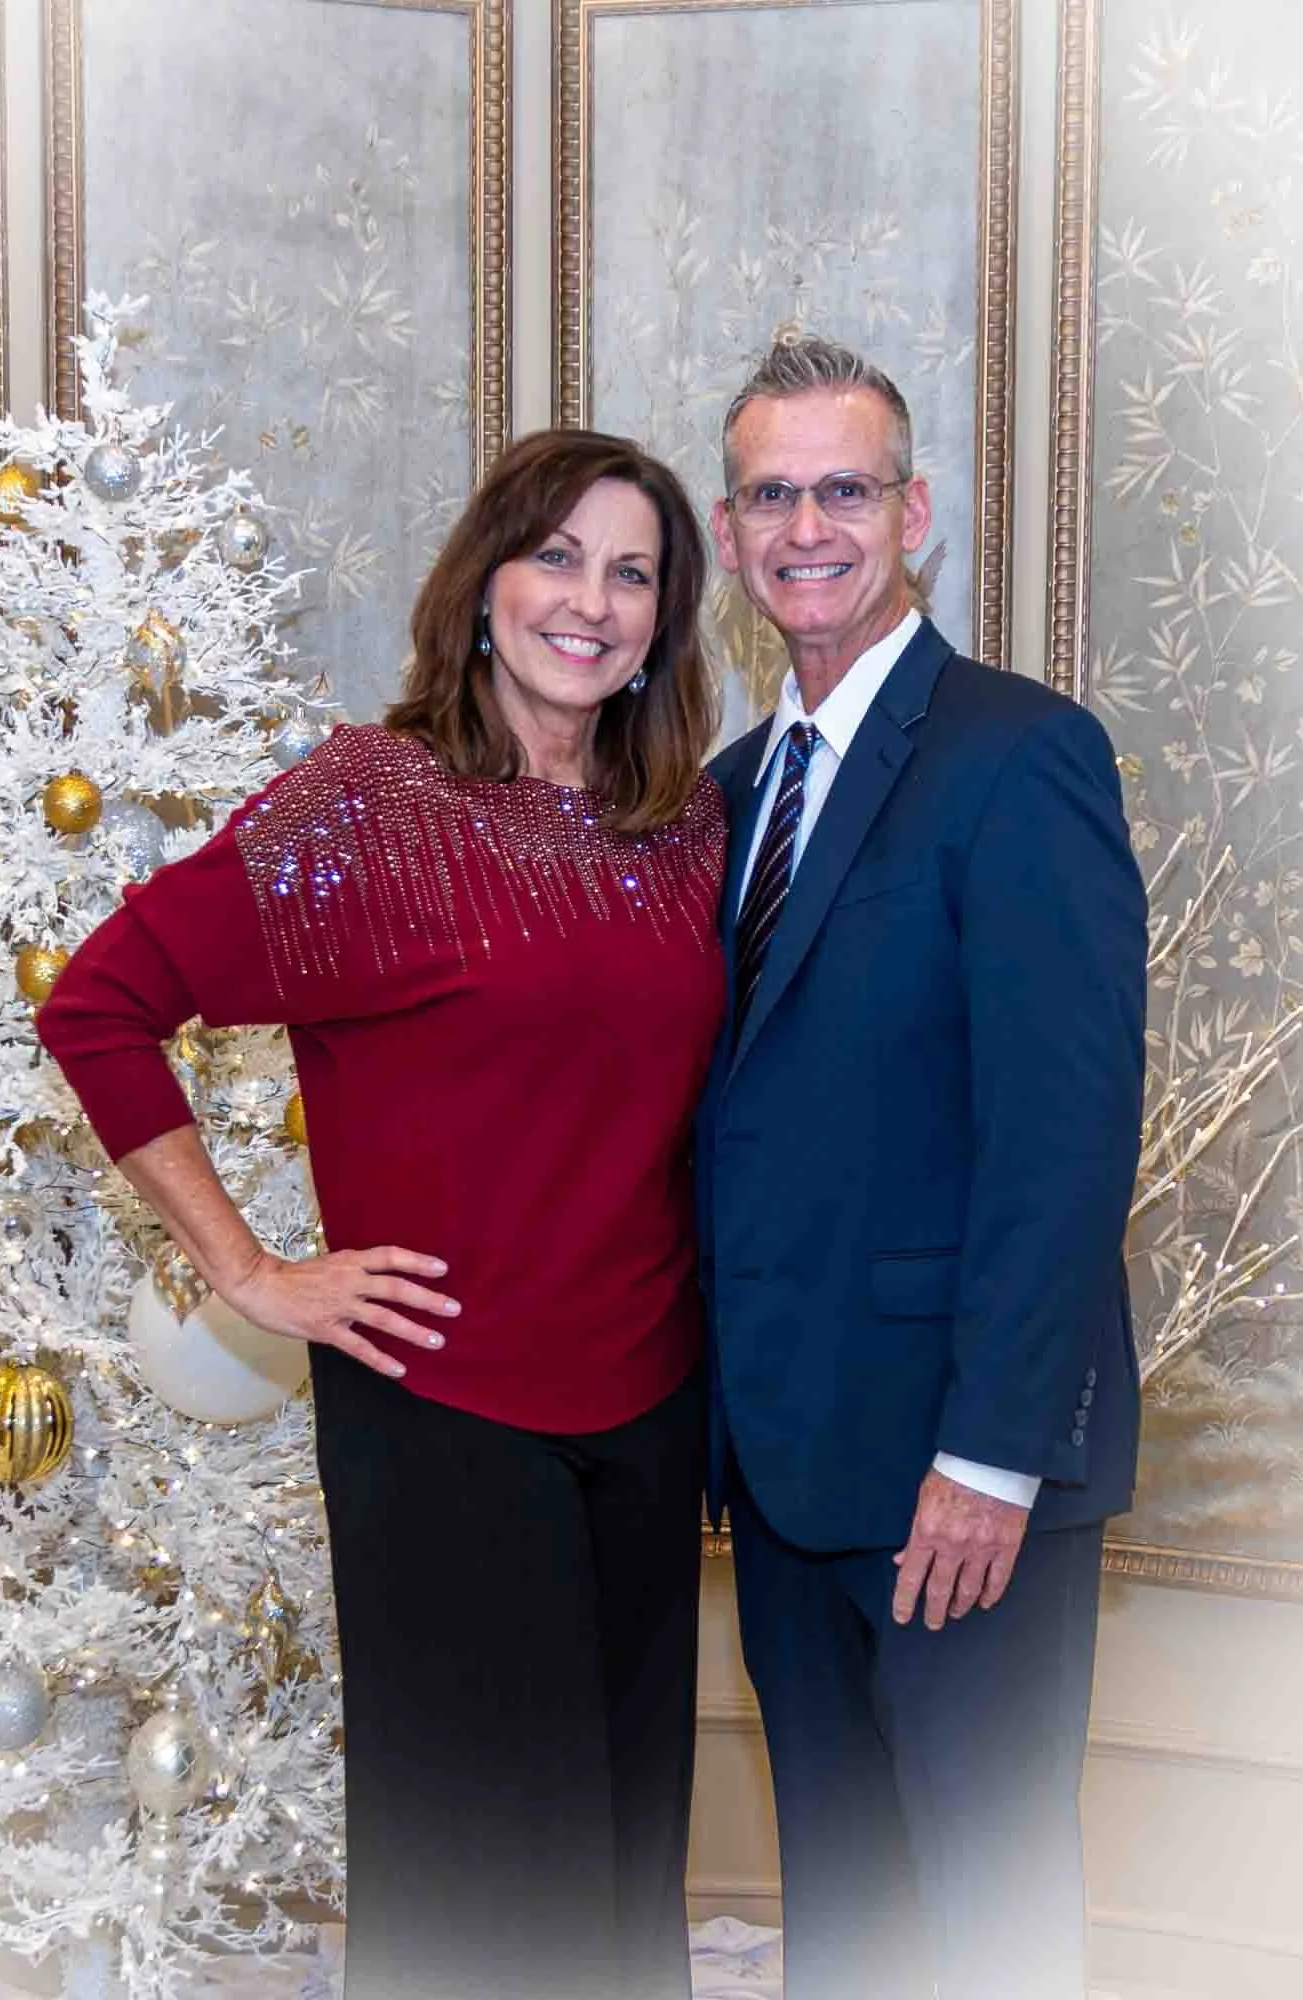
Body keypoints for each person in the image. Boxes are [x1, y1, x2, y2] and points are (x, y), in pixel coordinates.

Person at [37, 428, 726, 2000]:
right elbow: (101, 1006)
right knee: (487, 1884)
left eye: (633, 574)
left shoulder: (683, 830)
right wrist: (249, 1272)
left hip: (648, 1400)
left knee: (623, 1874)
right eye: (556, 556)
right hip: (443, 1415)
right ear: (482, 587)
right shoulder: (369, 805)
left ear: (666, 622)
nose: (591, 601)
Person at [695, 335, 1148, 2000]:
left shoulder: (1019, 755)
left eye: (844, 486)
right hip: (787, 1472)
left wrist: (993, 1458)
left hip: (964, 1491)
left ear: (915, 512)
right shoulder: (734, 794)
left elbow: (1067, 1132)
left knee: (987, 1917)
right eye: (771, 493)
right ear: (732, 532)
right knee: (851, 1915)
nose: (807, 522)